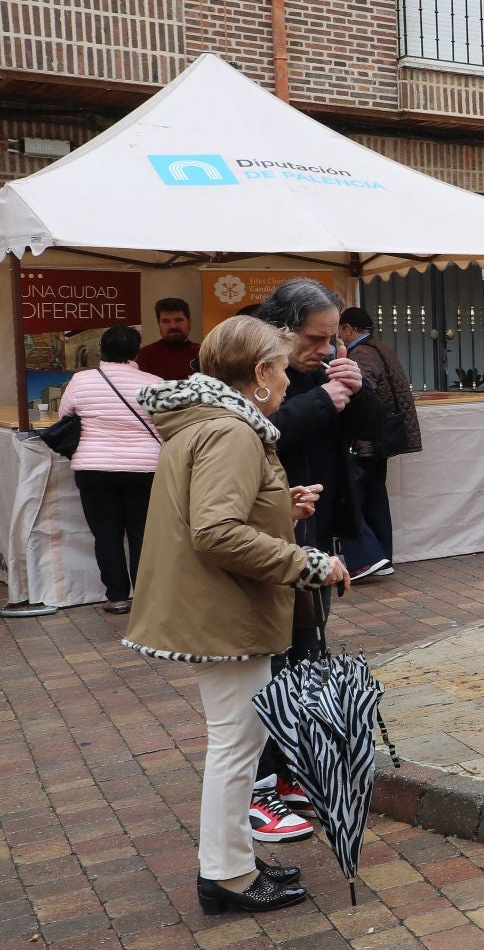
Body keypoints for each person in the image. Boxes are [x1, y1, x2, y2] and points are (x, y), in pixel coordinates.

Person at [125, 314, 349, 914]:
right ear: (258, 374)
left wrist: (283, 514)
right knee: (236, 746)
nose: (285, 379)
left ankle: (229, 868)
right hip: (225, 612)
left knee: (237, 743)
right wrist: (309, 562)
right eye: (279, 367)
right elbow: (216, 531)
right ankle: (226, 876)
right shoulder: (232, 431)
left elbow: (220, 517)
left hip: (218, 607)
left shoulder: (207, 424)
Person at [252, 278, 382, 839]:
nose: (327, 350)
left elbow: (378, 433)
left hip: (317, 533)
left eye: (333, 340)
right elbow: (257, 435)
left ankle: (289, 773)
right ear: (281, 331)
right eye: (316, 339)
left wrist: (359, 389)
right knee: (273, 661)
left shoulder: (319, 370)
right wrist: (318, 401)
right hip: (273, 540)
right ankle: (263, 785)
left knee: (306, 655)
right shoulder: (258, 374)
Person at [59, 325, 163, 614]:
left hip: (94, 468)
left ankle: (117, 596)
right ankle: (144, 596)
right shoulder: (153, 383)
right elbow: (166, 424)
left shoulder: (81, 380)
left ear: (101, 350)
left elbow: (64, 415)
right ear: (136, 351)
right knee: (142, 532)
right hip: (144, 468)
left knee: (106, 533)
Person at [338, 308, 420, 578]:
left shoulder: (360, 353)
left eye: (341, 329)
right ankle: (383, 558)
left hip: (365, 439)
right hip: (382, 438)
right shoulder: (381, 347)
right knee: (375, 498)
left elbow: (363, 392)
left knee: (353, 499)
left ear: (349, 328)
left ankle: (367, 559)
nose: (339, 335)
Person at [136, 297, 200, 380]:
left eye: (178, 320)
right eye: (165, 321)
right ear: (159, 324)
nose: (173, 326)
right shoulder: (144, 356)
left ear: (189, 321)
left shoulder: (203, 354)